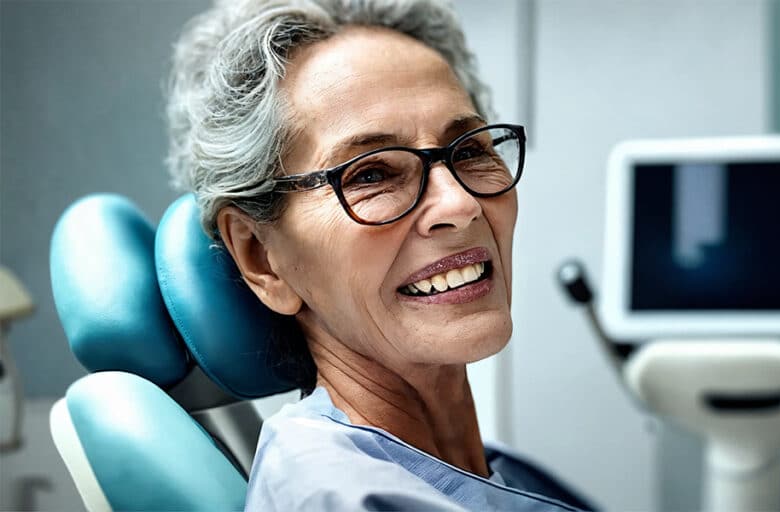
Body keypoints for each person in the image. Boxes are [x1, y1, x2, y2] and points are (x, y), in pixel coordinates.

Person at [166, 0, 592, 510]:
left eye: (470, 150)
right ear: (261, 257)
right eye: (371, 174)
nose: (460, 204)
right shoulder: (343, 496)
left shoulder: (467, 470)